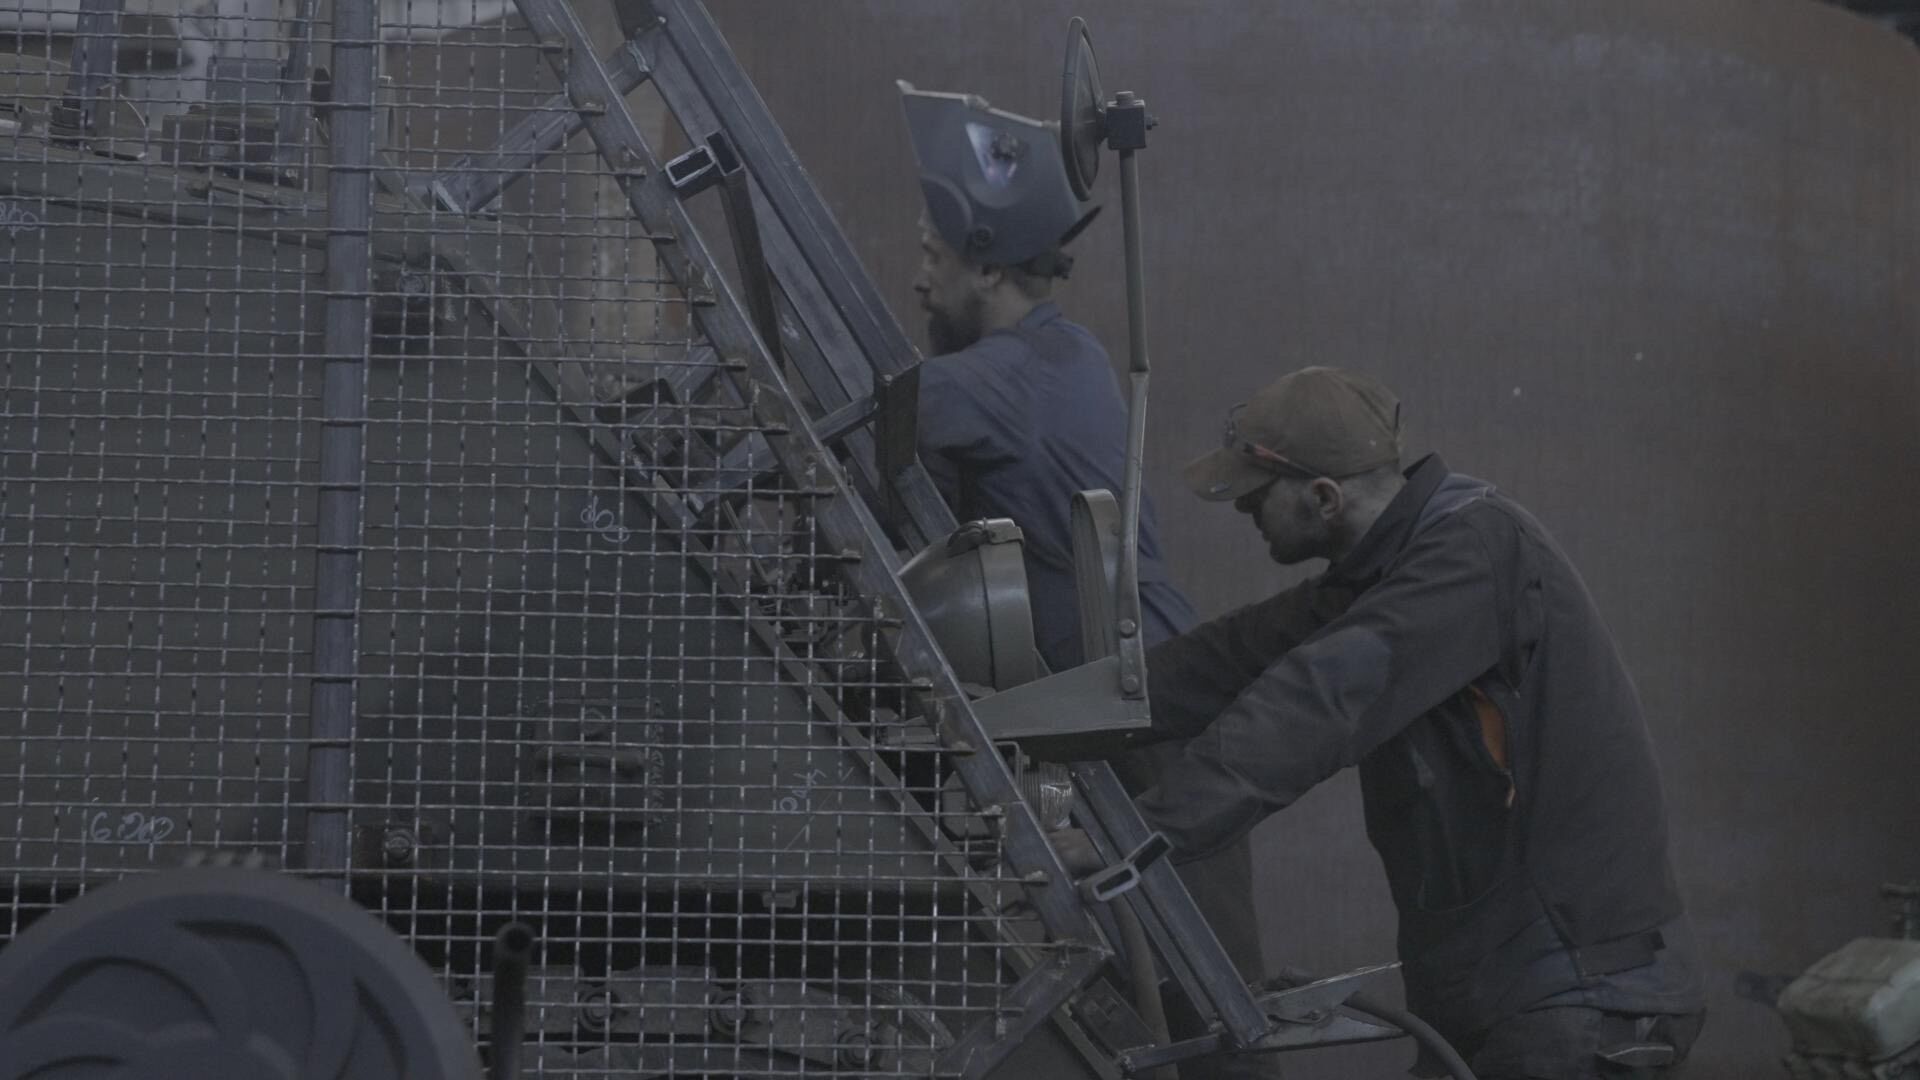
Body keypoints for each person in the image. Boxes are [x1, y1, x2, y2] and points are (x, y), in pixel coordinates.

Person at [1129, 366, 1705, 1079]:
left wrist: (1142, 834)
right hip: (1500, 996)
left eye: (1256, 496)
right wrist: (1056, 709)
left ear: (1324, 497)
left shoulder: (1474, 554)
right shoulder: (1385, 572)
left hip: (1582, 996)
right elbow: (1226, 659)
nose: (1244, 509)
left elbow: (1320, 701)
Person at [897, 83, 1274, 1080]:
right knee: (1181, 997)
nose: (919, 280)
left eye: (932, 256)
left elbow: (878, 416)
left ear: (987, 262)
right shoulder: (1064, 353)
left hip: (1143, 710)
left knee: (1209, 1006)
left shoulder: (1008, 375)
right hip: (1132, 697)